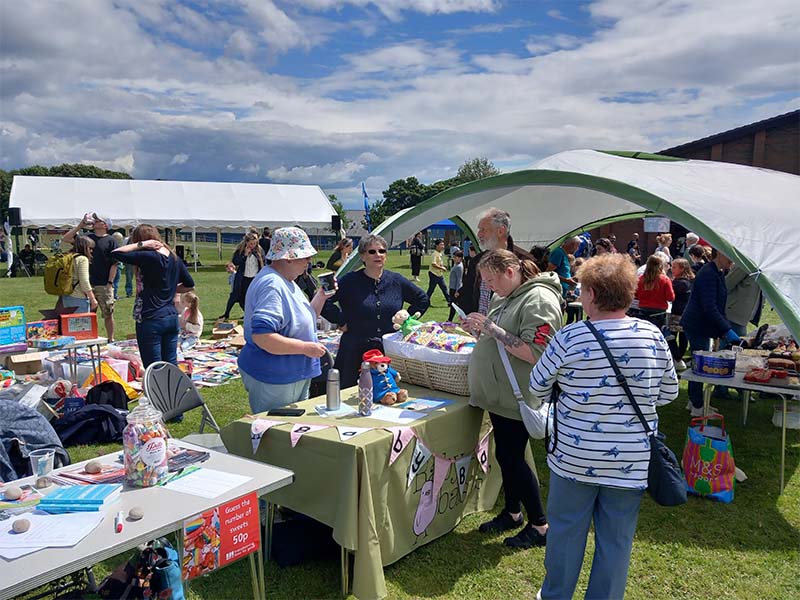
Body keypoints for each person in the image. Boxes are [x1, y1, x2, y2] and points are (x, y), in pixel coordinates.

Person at [529, 253, 679, 600]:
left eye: (582, 289)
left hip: (574, 459)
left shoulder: (570, 337)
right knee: (616, 542)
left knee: (565, 535)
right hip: (629, 461)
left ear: (592, 294)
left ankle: (555, 596)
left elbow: (537, 387)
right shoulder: (652, 335)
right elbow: (669, 392)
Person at [463, 249, 562, 549]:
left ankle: (540, 524)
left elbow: (539, 353)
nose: (489, 287)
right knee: (505, 455)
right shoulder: (506, 295)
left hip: (517, 394)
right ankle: (512, 511)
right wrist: (480, 329)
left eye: (492, 280)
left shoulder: (539, 300)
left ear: (510, 271)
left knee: (512, 457)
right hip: (500, 394)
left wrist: (493, 330)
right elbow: (496, 336)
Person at [238, 227, 330, 412]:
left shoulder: (286, 280)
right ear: (288, 257)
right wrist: (305, 348)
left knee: (289, 431)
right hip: (276, 377)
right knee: (275, 433)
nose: (308, 261)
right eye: (305, 257)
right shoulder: (272, 284)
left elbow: (304, 318)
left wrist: (321, 296)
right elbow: (263, 337)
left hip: (289, 375)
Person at [323, 234, 429, 387]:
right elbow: (324, 300)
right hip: (353, 352)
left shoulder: (396, 280)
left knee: (387, 394)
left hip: (386, 352)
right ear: (362, 256)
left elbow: (422, 299)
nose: (378, 255)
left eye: (382, 251)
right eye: (372, 252)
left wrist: (406, 321)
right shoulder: (349, 281)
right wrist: (340, 319)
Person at [112, 225, 195, 368]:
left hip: (151, 318)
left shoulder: (149, 256)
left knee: (154, 367)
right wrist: (170, 289)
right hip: (171, 317)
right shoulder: (174, 257)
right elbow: (190, 285)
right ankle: (172, 390)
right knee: (170, 365)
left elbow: (115, 253)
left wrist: (142, 245)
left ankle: (159, 391)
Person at [680, 248, 739, 416]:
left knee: (697, 362)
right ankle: (698, 407)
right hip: (697, 325)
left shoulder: (717, 272)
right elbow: (709, 307)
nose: (732, 261)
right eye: (730, 256)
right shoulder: (708, 273)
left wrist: (725, 327)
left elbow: (719, 306)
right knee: (699, 366)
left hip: (701, 325)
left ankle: (694, 402)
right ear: (719, 253)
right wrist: (726, 329)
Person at [456, 207, 530, 316]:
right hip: (477, 329)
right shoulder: (477, 261)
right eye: (479, 230)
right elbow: (467, 292)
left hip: (508, 330)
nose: (479, 234)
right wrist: (468, 316)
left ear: (501, 231)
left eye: (483, 230)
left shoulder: (523, 262)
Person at [63, 213, 119, 341]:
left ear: (105, 225)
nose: (95, 221)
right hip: (86, 283)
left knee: (108, 313)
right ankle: (90, 337)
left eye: (98, 220)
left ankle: (111, 339)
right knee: (88, 315)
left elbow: (114, 264)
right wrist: (81, 225)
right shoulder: (87, 238)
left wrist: (110, 283)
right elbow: (66, 238)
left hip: (103, 283)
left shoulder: (111, 241)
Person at [223, 233, 264, 319]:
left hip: (254, 278)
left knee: (253, 297)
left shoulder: (259, 250)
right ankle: (228, 313)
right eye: (251, 243)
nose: (252, 245)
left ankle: (252, 314)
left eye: (254, 243)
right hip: (243, 278)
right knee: (239, 296)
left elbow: (263, 262)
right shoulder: (240, 251)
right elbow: (235, 261)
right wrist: (244, 255)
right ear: (246, 242)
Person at [634, 254, 675, 329]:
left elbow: (636, 295)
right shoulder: (665, 280)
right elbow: (670, 298)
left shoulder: (641, 279)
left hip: (643, 309)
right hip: (659, 311)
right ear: (660, 266)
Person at [59, 235, 97, 314]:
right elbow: (84, 281)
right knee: (81, 325)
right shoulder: (82, 259)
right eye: (90, 248)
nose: (91, 251)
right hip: (79, 297)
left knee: (69, 324)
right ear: (84, 247)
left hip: (66, 296)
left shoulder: (68, 256)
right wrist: (93, 299)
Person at [667, 258, 693, 370]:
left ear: (682, 269)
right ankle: (679, 357)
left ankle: (677, 357)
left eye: (674, 267)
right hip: (687, 313)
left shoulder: (678, 283)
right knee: (683, 336)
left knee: (670, 336)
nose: (671, 269)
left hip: (677, 313)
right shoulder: (691, 281)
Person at [426, 238, 449, 304]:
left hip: (439, 274)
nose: (443, 246)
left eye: (443, 245)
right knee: (431, 289)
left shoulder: (439, 253)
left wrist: (443, 266)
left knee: (444, 288)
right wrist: (442, 268)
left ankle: (450, 302)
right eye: (441, 245)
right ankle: (425, 301)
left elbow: (438, 263)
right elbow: (433, 264)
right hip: (434, 274)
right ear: (437, 246)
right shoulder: (434, 254)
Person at [447, 250, 464, 321]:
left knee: (454, 305)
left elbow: (459, 280)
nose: (454, 258)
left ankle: (450, 319)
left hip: (454, 288)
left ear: (460, 258)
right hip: (452, 287)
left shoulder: (459, 267)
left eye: (455, 257)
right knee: (454, 304)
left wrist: (457, 291)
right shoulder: (456, 265)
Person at [111, 232, 124, 299]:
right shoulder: (119, 247)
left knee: (112, 281)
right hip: (117, 265)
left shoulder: (110, 246)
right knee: (115, 281)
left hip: (115, 265)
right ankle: (114, 295)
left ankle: (113, 294)